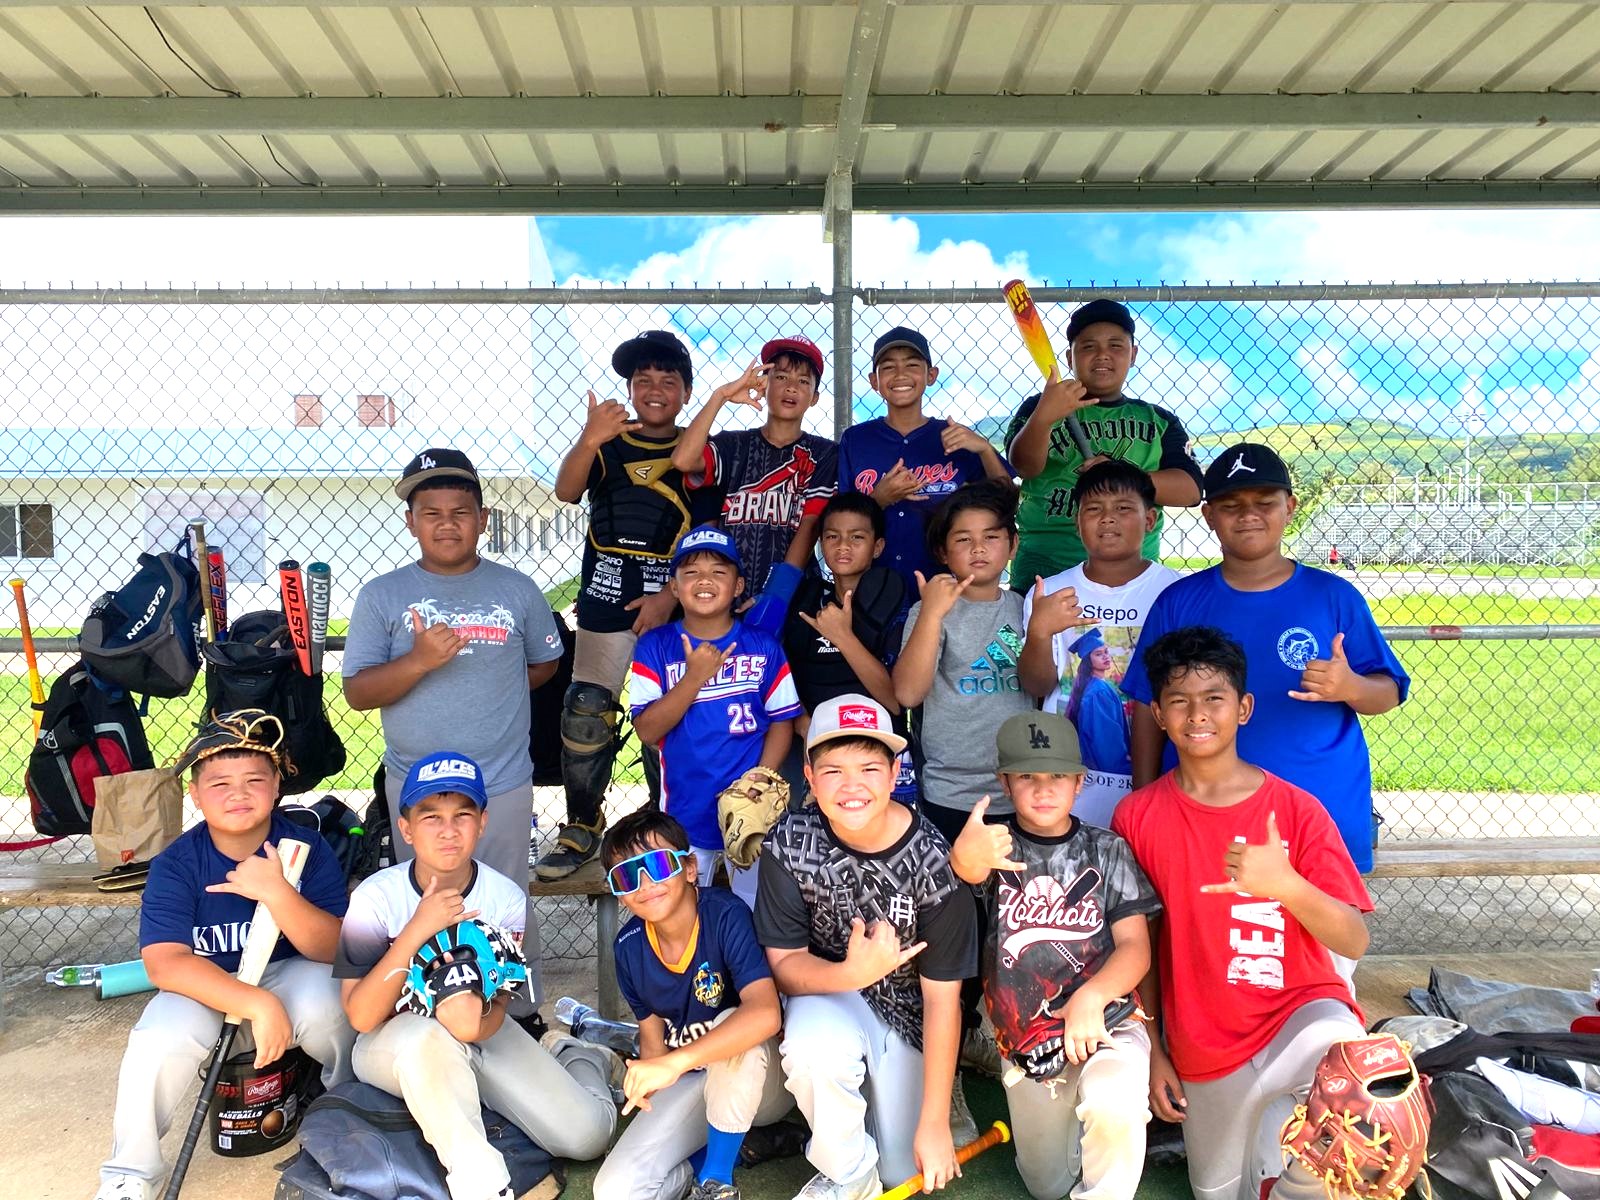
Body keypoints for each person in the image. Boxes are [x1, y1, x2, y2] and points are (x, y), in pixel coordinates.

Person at [1111, 628, 1374, 1200]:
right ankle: (1268, 1162)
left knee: (1361, 1082)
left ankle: (1297, 1181)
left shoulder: (1295, 810)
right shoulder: (1137, 817)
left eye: (1214, 698)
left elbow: (1354, 940)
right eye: (1178, 701)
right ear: (1157, 714)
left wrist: (1285, 885)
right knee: (1218, 1191)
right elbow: (1142, 946)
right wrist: (1154, 1048)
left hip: (1300, 1015)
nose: (1197, 714)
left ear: (1244, 708)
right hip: (1204, 1042)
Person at [335, 751, 620, 1200]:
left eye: (462, 815)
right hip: (394, 1039)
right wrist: (417, 929)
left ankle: (578, 1054)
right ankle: (482, 1184)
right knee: (426, 1042)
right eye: (430, 817)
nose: (448, 830)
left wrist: (469, 1025)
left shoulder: (504, 898)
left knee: (586, 1137)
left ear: (482, 822)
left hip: (481, 1030)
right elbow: (361, 1017)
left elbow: (492, 1012)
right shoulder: (376, 898)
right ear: (406, 828)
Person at [97, 711, 354, 1200]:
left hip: (288, 970)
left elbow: (335, 946)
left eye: (254, 779)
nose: (238, 794)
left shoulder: (305, 846)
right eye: (219, 783)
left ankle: (350, 1117)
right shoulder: (178, 862)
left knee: (333, 1006)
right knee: (156, 1041)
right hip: (206, 980)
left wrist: (279, 893)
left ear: (277, 785)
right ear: (194, 794)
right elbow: (164, 962)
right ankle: (131, 1173)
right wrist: (256, 1003)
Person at [1120, 443, 1408, 871]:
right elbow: (1147, 704)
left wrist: (1352, 687)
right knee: (1205, 930)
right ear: (1209, 516)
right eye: (1231, 505)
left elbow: (1388, 692)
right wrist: (1144, 796)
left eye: (1264, 503)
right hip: (1203, 809)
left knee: (1318, 930)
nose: (1248, 515)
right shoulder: (1179, 601)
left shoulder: (1332, 597)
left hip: (1317, 806)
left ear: (1289, 507)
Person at [343, 447, 563, 996]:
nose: (447, 524)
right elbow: (357, 692)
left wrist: (495, 683)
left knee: (505, 896)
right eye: (432, 512)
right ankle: (427, 999)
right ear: (411, 520)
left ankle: (512, 1012)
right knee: (427, 895)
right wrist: (418, 661)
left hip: (501, 779)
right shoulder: (382, 596)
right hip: (416, 782)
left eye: (461, 511)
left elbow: (544, 663)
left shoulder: (517, 590)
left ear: (483, 519)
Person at [755, 695, 978, 1200]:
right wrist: (852, 975)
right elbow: (787, 967)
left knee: (904, 1174)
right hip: (831, 998)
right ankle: (847, 1172)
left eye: (870, 767)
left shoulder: (934, 857)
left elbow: (944, 1001)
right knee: (815, 1049)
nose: (851, 786)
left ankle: (884, 1121)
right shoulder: (789, 842)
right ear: (808, 776)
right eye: (832, 770)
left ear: (897, 771)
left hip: (910, 1017)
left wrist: (935, 1122)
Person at [949, 711, 1159, 1200]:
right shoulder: (990, 848)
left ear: (1080, 782)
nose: (1043, 789)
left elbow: (1135, 947)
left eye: (1058, 776)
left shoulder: (1105, 850)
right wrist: (963, 865)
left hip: (1107, 1020)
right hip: (1024, 1037)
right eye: (1027, 776)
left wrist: (1094, 995)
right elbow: (948, 916)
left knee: (1113, 1101)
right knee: (1048, 1186)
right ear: (1004, 781)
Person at [538, 329, 722, 881]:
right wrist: (590, 439)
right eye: (643, 380)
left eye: (669, 380)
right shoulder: (609, 441)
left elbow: (708, 528)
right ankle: (582, 821)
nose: (655, 388)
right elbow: (567, 492)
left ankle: (660, 819)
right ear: (630, 388)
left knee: (661, 713)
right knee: (586, 707)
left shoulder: (698, 446)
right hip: (604, 596)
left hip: (669, 601)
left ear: (686, 392)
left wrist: (670, 595)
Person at [593, 809, 790, 1200]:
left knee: (737, 1027)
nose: (645, 883)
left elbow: (766, 1013)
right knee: (614, 1190)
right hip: (694, 1079)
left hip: (762, 1084)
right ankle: (711, 1160)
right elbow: (653, 1041)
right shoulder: (628, 947)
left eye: (657, 864)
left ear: (688, 868)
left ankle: (716, 1181)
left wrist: (675, 1062)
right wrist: (652, 1086)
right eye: (627, 875)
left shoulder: (725, 914)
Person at [629, 525, 802, 905]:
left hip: (752, 808)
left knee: (758, 908)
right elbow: (646, 729)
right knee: (685, 908)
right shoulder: (655, 646)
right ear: (674, 587)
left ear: (738, 585)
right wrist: (693, 678)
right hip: (684, 813)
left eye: (718, 572)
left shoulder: (763, 646)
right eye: (690, 572)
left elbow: (781, 721)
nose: (704, 580)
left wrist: (760, 779)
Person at [1019, 459, 1180, 826]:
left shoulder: (1173, 591)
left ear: (1150, 520)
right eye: (1093, 510)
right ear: (1077, 524)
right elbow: (1037, 685)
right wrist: (1041, 632)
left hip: (1155, 784)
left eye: (1124, 509)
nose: (1108, 519)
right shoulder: (1052, 591)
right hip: (1064, 790)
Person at [1004, 298, 1202, 581]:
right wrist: (1044, 417)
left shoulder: (1157, 420)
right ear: (1069, 358)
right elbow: (1024, 466)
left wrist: (1121, 475)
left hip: (1131, 574)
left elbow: (1191, 490)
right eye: (1088, 347)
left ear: (1133, 354)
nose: (1102, 355)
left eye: (1115, 345)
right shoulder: (1040, 406)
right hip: (1044, 568)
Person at [893, 478, 1035, 838]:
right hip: (950, 790)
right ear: (943, 552)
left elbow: (1042, 684)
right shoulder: (929, 611)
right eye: (963, 539)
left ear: (1012, 545)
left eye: (991, 537)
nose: (978, 548)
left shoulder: (1026, 609)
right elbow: (908, 694)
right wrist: (931, 615)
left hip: (1023, 785)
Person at [672, 334, 839, 624]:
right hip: (725, 591)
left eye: (803, 381)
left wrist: (777, 596)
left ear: (814, 398)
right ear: (763, 385)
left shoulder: (823, 453)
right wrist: (721, 395)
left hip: (792, 592)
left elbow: (811, 524)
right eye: (781, 376)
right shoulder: (733, 444)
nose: (791, 387)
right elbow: (683, 460)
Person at [839, 326, 1012, 599]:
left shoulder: (954, 437)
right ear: (874, 380)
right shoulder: (856, 439)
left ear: (931, 375)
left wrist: (984, 450)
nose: (900, 375)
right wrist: (878, 500)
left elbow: (1005, 499)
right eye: (888, 367)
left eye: (912, 364)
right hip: (872, 590)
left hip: (943, 587)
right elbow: (841, 520)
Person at [781, 491, 912, 802]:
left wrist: (842, 637)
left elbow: (894, 701)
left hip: (875, 745)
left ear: (877, 546)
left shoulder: (891, 597)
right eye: (832, 536)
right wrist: (800, 719)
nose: (843, 545)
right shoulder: (807, 598)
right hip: (815, 743)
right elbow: (785, 673)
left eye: (857, 537)